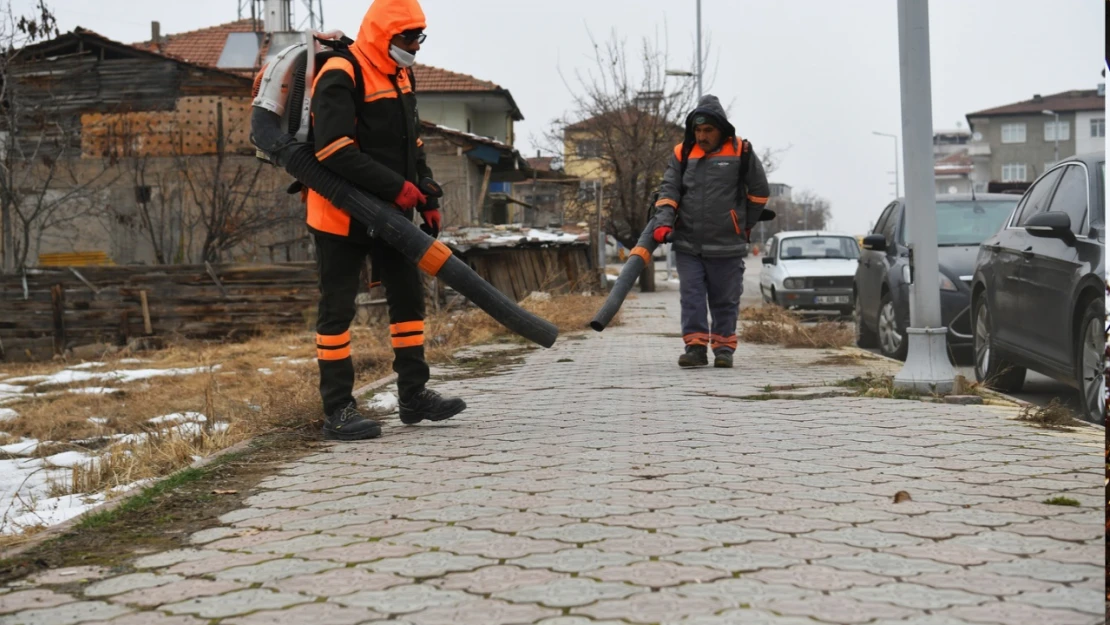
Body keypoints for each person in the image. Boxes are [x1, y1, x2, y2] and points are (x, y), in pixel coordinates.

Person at [307, 0, 465, 441]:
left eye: (420, 37)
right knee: (337, 310)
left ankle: (414, 396)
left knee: (409, 302)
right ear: (382, 34)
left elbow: (411, 142)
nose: (415, 46)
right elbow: (333, 148)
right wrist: (397, 188)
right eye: (408, 37)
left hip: (392, 216)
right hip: (339, 212)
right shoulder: (341, 71)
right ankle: (338, 410)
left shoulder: (400, 73)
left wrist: (427, 190)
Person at [651, 94, 770, 369]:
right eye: (698, 130)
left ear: (721, 130)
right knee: (691, 296)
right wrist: (663, 223)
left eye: (708, 131)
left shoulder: (742, 151)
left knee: (724, 299)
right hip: (688, 242)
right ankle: (694, 347)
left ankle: (724, 348)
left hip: (727, 243)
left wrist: (744, 224)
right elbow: (669, 191)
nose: (702, 136)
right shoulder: (683, 153)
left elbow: (760, 192)